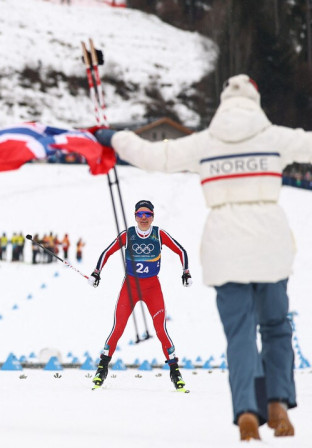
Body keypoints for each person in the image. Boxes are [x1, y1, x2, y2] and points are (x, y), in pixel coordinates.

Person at [94, 74, 307, 441]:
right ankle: (277, 404)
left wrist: (113, 137)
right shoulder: (275, 138)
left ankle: (246, 414)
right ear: (255, 101)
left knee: (240, 333)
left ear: (223, 104)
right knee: (275, 327)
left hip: (225, 249)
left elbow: (154, 155)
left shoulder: (206, 142)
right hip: (270, 245)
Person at [89, 200, 192, 392]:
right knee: (118, 327)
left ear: (153, 216)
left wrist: (185, 272)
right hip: (130, 287)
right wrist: (97, 272)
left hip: (152, 287)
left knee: (161, 330)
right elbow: (107, 252)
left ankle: (175, 372)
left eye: (148, 215)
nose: (144, 218)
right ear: (135, 216)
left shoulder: (159, 234)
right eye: (140, 215)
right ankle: (102, 368)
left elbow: (181, 251)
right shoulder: (128, 235)